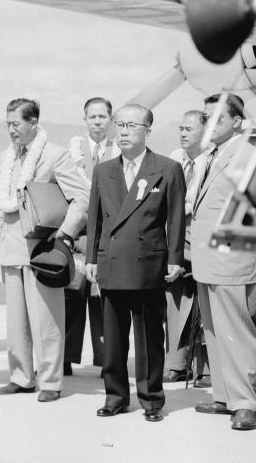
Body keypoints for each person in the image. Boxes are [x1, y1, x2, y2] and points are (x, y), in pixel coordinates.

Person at [85, 104, 185, 422]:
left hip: (148, 266)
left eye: (131, 125)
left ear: (147, 131)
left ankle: (152, 399)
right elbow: (95, 219)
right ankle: (115, 396)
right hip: (112, 264)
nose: (124, 131)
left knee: (149, 338)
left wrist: (174, 259)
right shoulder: (103, 170)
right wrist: (90, 259)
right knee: (112, 339)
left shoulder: (167, 168)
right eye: (120, 124)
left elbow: (176, 219)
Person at [0, 98, 88, 402]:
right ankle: (21, 377)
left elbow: (82, 198)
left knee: (46, 319)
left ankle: (50, 381)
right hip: (10, 249)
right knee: (16, 321)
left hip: (42, 251)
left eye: (15, 124)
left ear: (33, 123)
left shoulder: (55, 155)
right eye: (7, 124)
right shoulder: (6, 158)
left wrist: (64, 235)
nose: (11, 130)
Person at [188, 93, 256, 430]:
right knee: (214, 330)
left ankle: (245, 403)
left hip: (229, 258)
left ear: (238, 122)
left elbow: (244, 212)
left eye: (218, 117)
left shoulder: (247, 152)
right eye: (206, 116)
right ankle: (224, 396)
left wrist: (229, 259)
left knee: (235, 331)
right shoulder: (213, 155)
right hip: (208, 258)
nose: (209, 123)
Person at [65, 97, 118, 375]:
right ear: (85, 119)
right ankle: (64, 358)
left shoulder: (120, 150)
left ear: (111, 120)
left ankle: (106, 361)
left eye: (102, 117)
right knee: (71, 297)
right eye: (92, 117)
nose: (97, 121)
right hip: (80, 236)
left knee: (103, 301)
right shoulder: (73, 151)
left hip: (108, 238)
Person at [166, 109, 209, 384]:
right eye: (180, 128)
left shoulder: (213, 161)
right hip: (175, 236)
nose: (182, 133)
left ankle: (205, 368)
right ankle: (177, 363)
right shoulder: (173, 160)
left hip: (203, 237)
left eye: (188, 129)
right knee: (174, 300)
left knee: (204, 305)